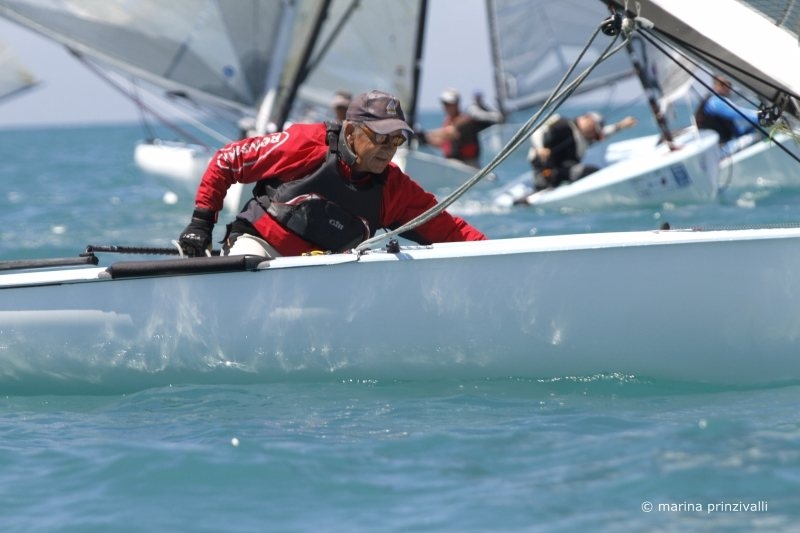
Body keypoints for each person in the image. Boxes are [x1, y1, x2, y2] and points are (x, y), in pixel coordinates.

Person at [177, 89, 486, 258]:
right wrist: (201, 225)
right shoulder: (306, 143)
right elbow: (228, 160)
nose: (388, 148)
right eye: (380, 137)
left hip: (327, 272)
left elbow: (450, 231)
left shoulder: (393, 188)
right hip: (261, 250)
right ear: (350, 132)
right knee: (249, 262)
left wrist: (495, 254)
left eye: (396, 140)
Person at [527, 111, 637, 191]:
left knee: (591, 171)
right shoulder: (562, 124)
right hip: (545, 170)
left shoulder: (586, 138)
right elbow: (537, 131)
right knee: (584, 171)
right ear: (586, 119)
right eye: (593, 129)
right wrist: (540, 148)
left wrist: (621, 125)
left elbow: (605, 133)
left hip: (564, 171)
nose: (593, 135)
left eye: (595, 133)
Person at [421, 88, 503, 167]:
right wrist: (424, 140)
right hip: (452, 164)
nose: (446, 106)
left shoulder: (464, 121)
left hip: (468, 165)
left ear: (457, 104)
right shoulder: (448, 121)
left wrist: (425, 134)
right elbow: (442, 143)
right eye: (444, 103)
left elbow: (450, 133)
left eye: (449, 103)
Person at [694, 74, 759, 148]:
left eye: (729, 84)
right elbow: (740, 114)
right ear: (714, 86)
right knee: (755, 136)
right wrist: (762, 116)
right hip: (719, 150)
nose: (726, 86)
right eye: (722, 84)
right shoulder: (714, 102)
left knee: (757, 132)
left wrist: (755, 126)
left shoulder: (721, 101)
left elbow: (737, 132)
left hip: (725, 145)